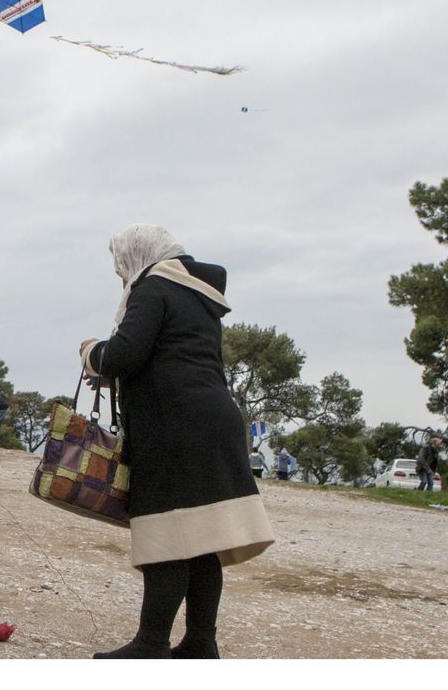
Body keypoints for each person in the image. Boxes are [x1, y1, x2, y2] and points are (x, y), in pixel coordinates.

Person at [78, 225, 274, 659]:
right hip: (216, 421)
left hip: (174, 426)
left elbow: (124, 355)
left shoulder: (153, 286)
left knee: (167, 534)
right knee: (205, 538)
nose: (120, 278)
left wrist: (91, 351)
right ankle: (201, 643)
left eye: (119, 268)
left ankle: (151, 645)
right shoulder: (199, 295)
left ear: (137, 255)